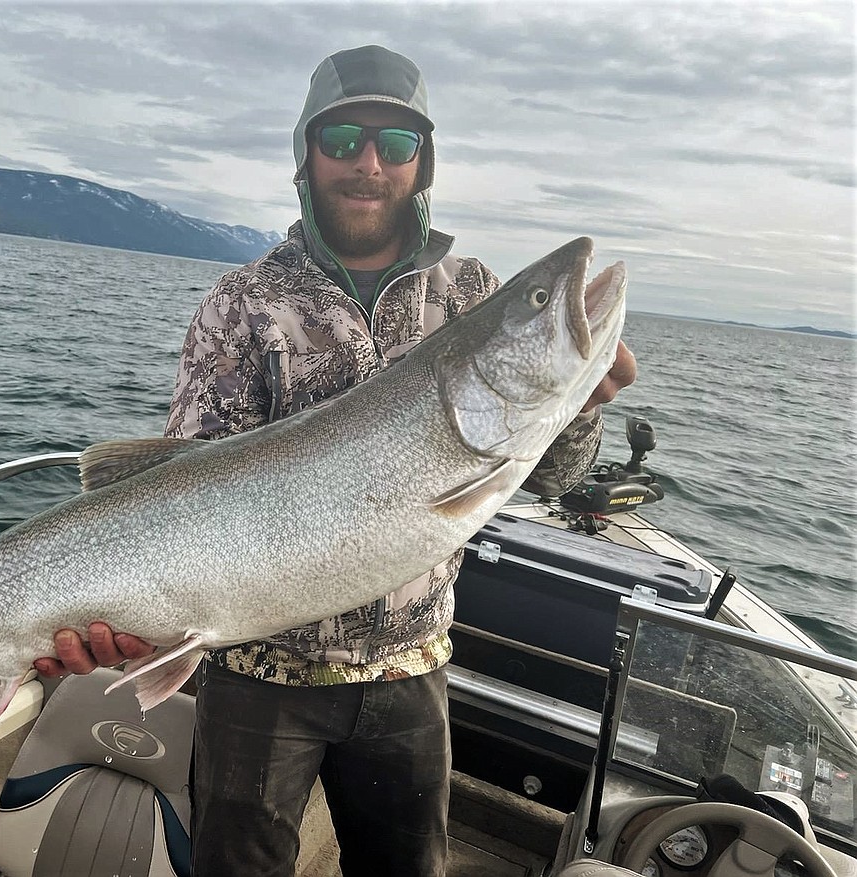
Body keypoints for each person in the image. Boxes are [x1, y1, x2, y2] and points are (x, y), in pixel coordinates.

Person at [35, 44, 636, 876]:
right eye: (345, 137)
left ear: (422, 165)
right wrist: (132, 618)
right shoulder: (243, 302)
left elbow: (553, 477)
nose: (368, 162)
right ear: (305, 154)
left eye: (396, 145)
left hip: (410, 668)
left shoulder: (470, 295)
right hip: (255, 674)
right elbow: (182, 491)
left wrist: (579, 403)